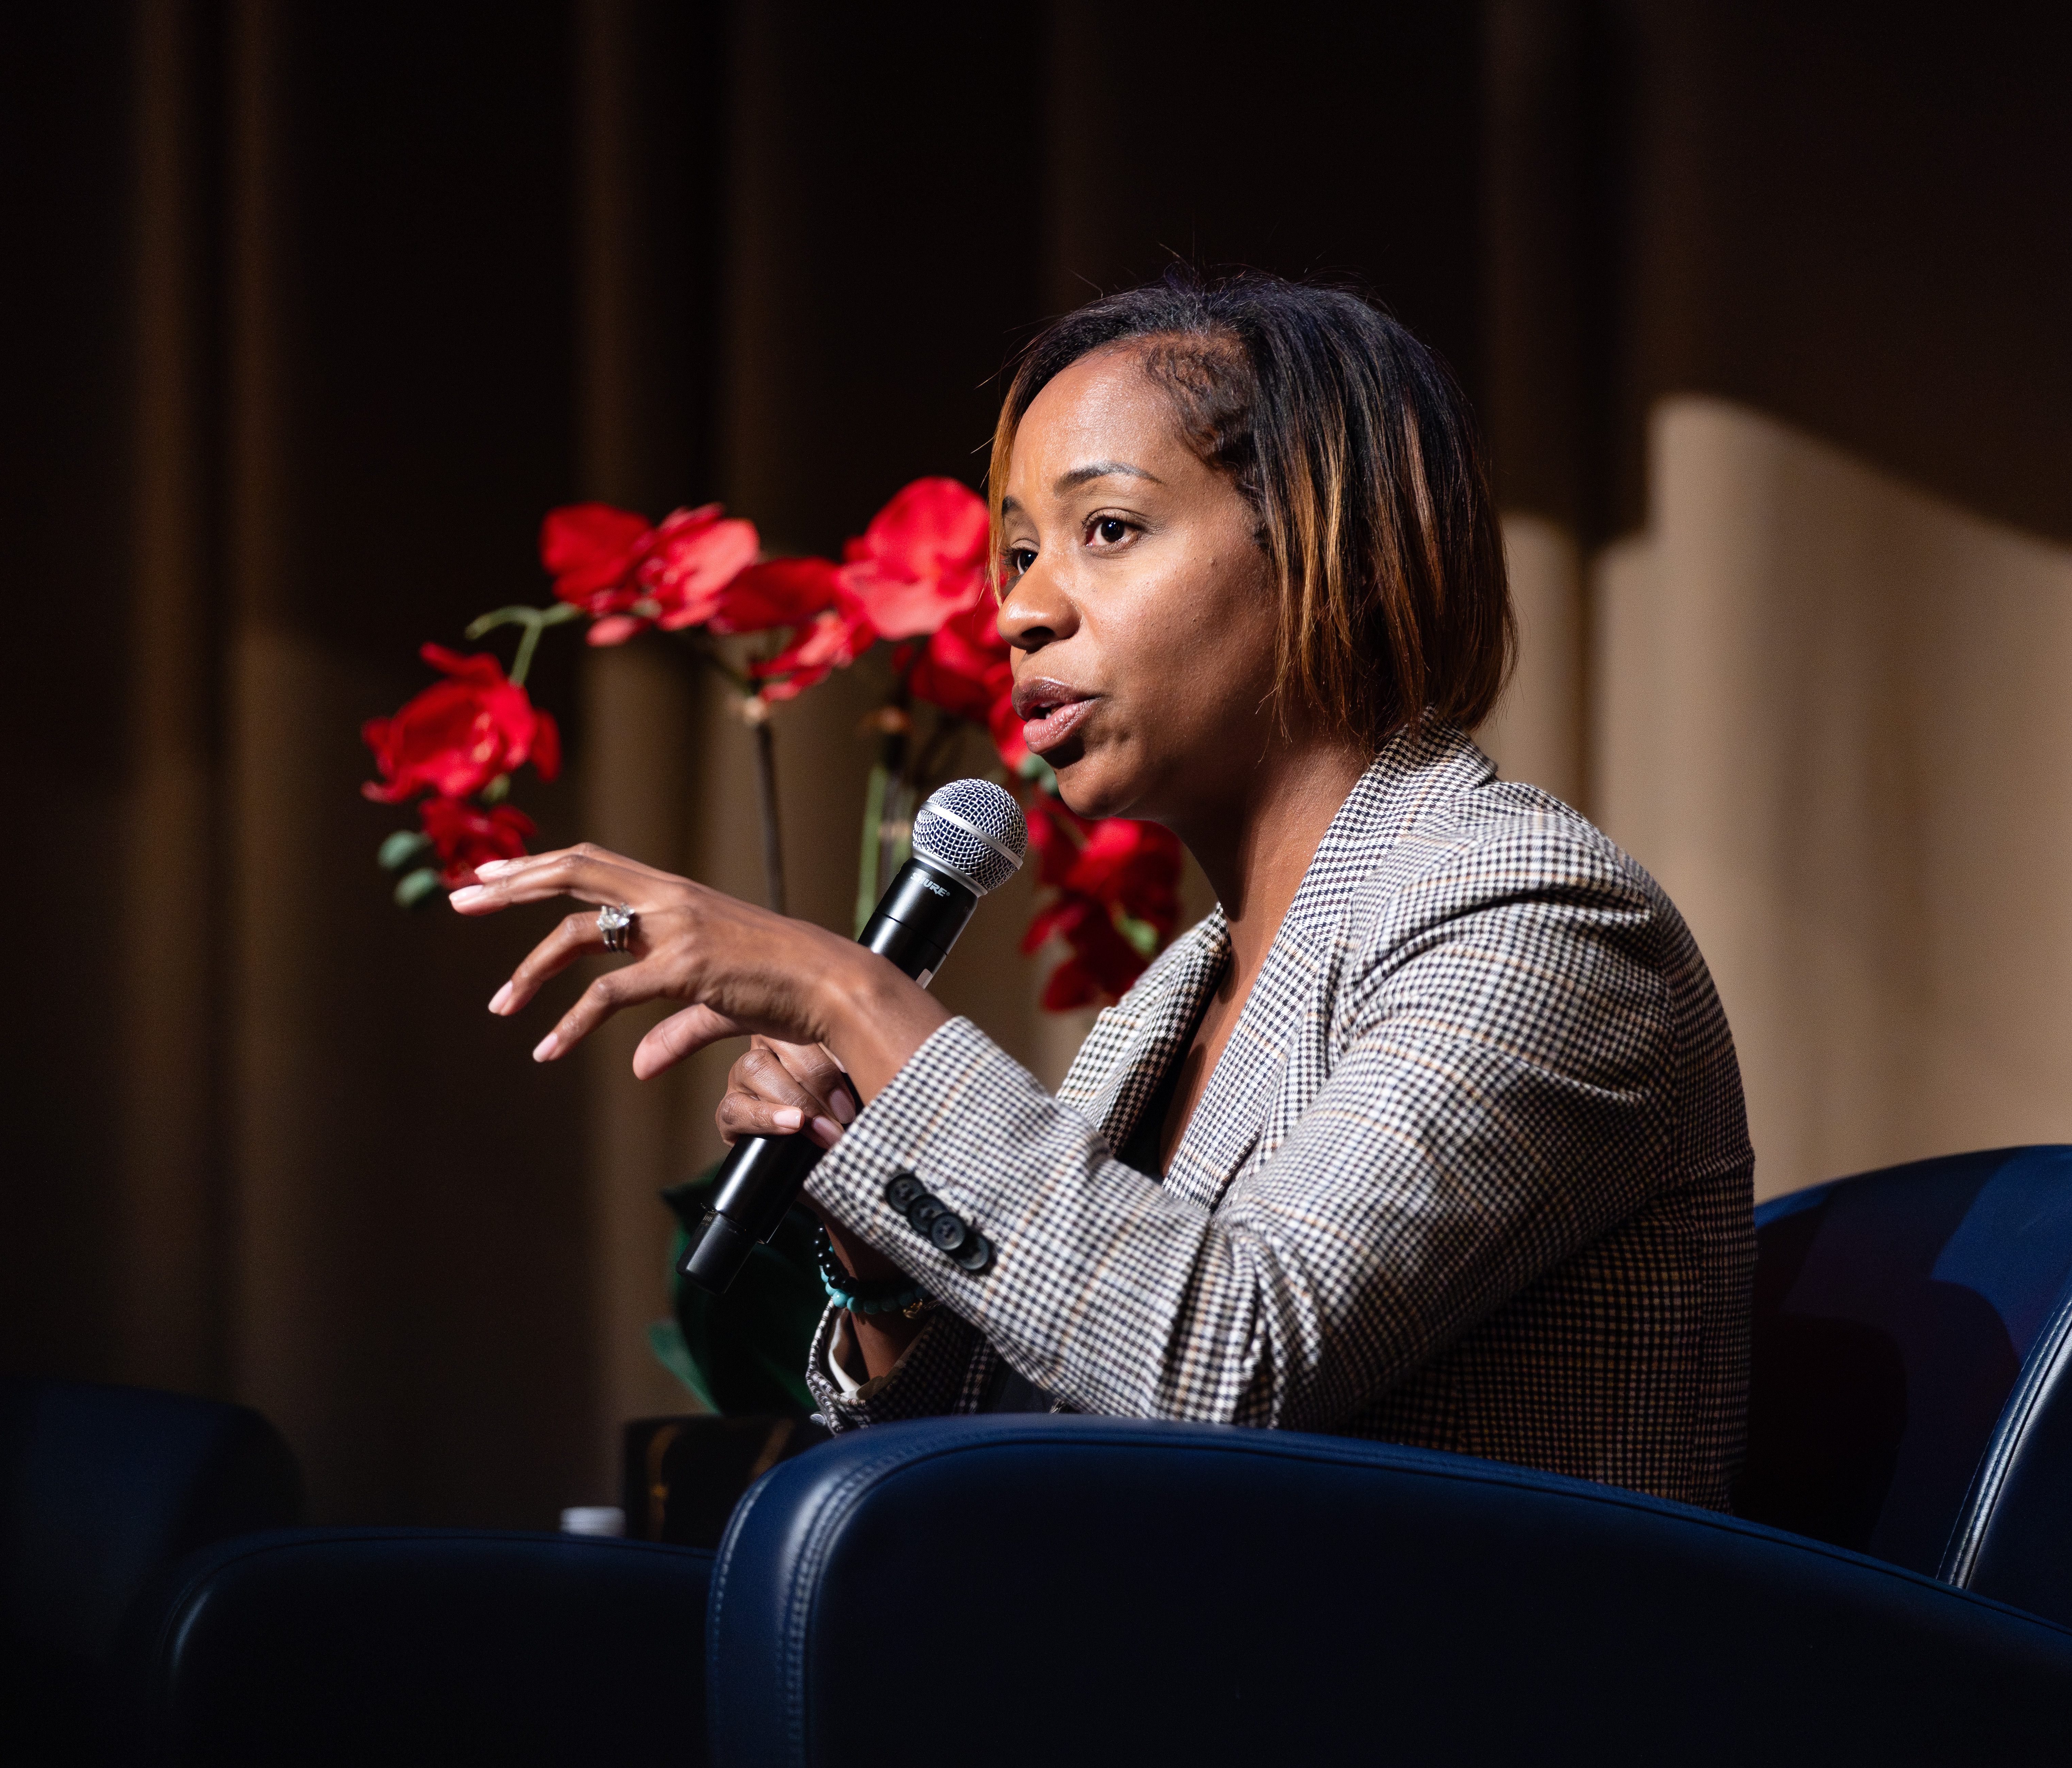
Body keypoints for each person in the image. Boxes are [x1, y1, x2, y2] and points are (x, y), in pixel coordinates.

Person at [452, 271, 1755, 1512]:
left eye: (1109, 530)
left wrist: (843, 989)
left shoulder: (1535, 914)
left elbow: (1229, 1368)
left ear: (1335, 552)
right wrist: (883, 1266)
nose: (1021, 611)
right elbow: (1006, 1456)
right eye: (1019, 554)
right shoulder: (1170, 1005)